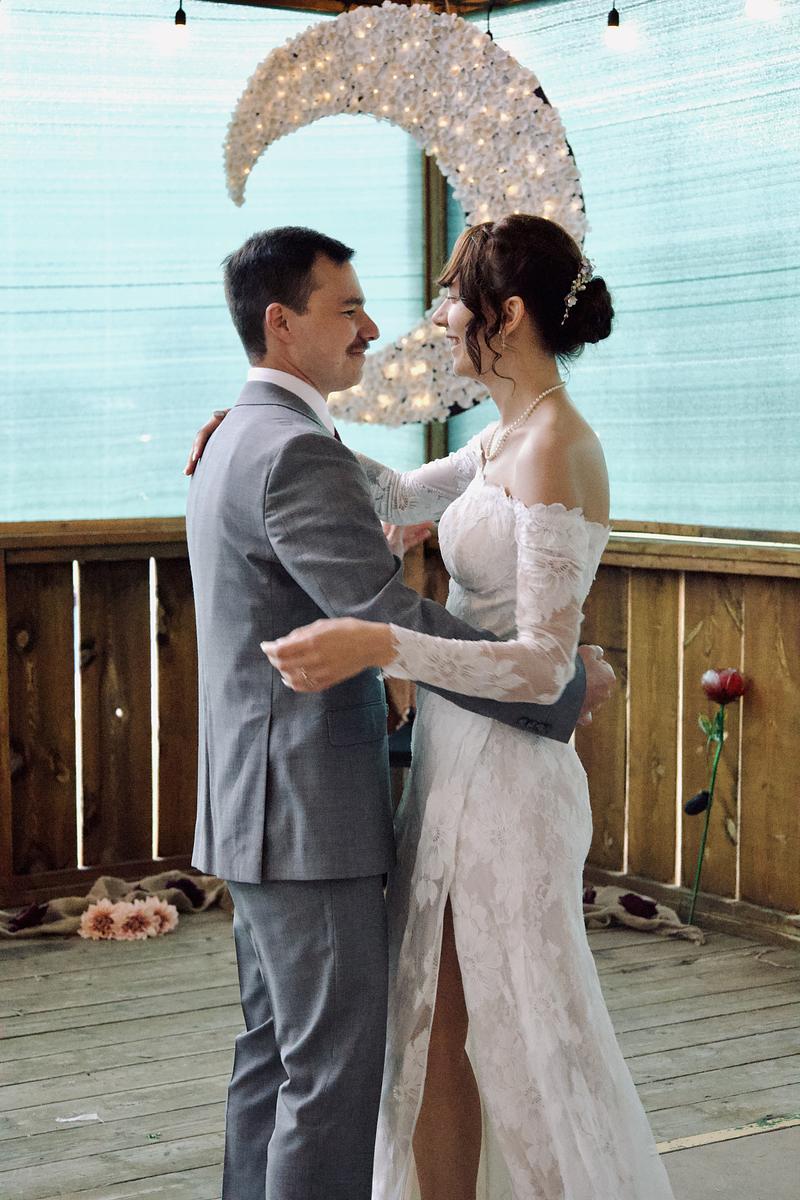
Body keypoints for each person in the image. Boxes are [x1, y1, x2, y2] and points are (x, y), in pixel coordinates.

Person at [184, 225, 614, 1200]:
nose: (413, 324)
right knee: (377, 1046)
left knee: (481, 1032)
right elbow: (380, 514)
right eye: (351, 308)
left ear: (506, 315)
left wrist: (545, 679)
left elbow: (425, 605)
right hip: (361, 793)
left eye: (450, 299)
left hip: (481, 775)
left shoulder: (550, 442)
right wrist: (262, 417)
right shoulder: (478, 440)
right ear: (281, 323)